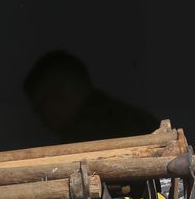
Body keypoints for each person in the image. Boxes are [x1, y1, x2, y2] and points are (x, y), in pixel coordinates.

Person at [24, 50, 159, 143]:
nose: (42, 117)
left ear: (60, 93)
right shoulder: (137, 118)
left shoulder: (83, 133)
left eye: (41, 105)